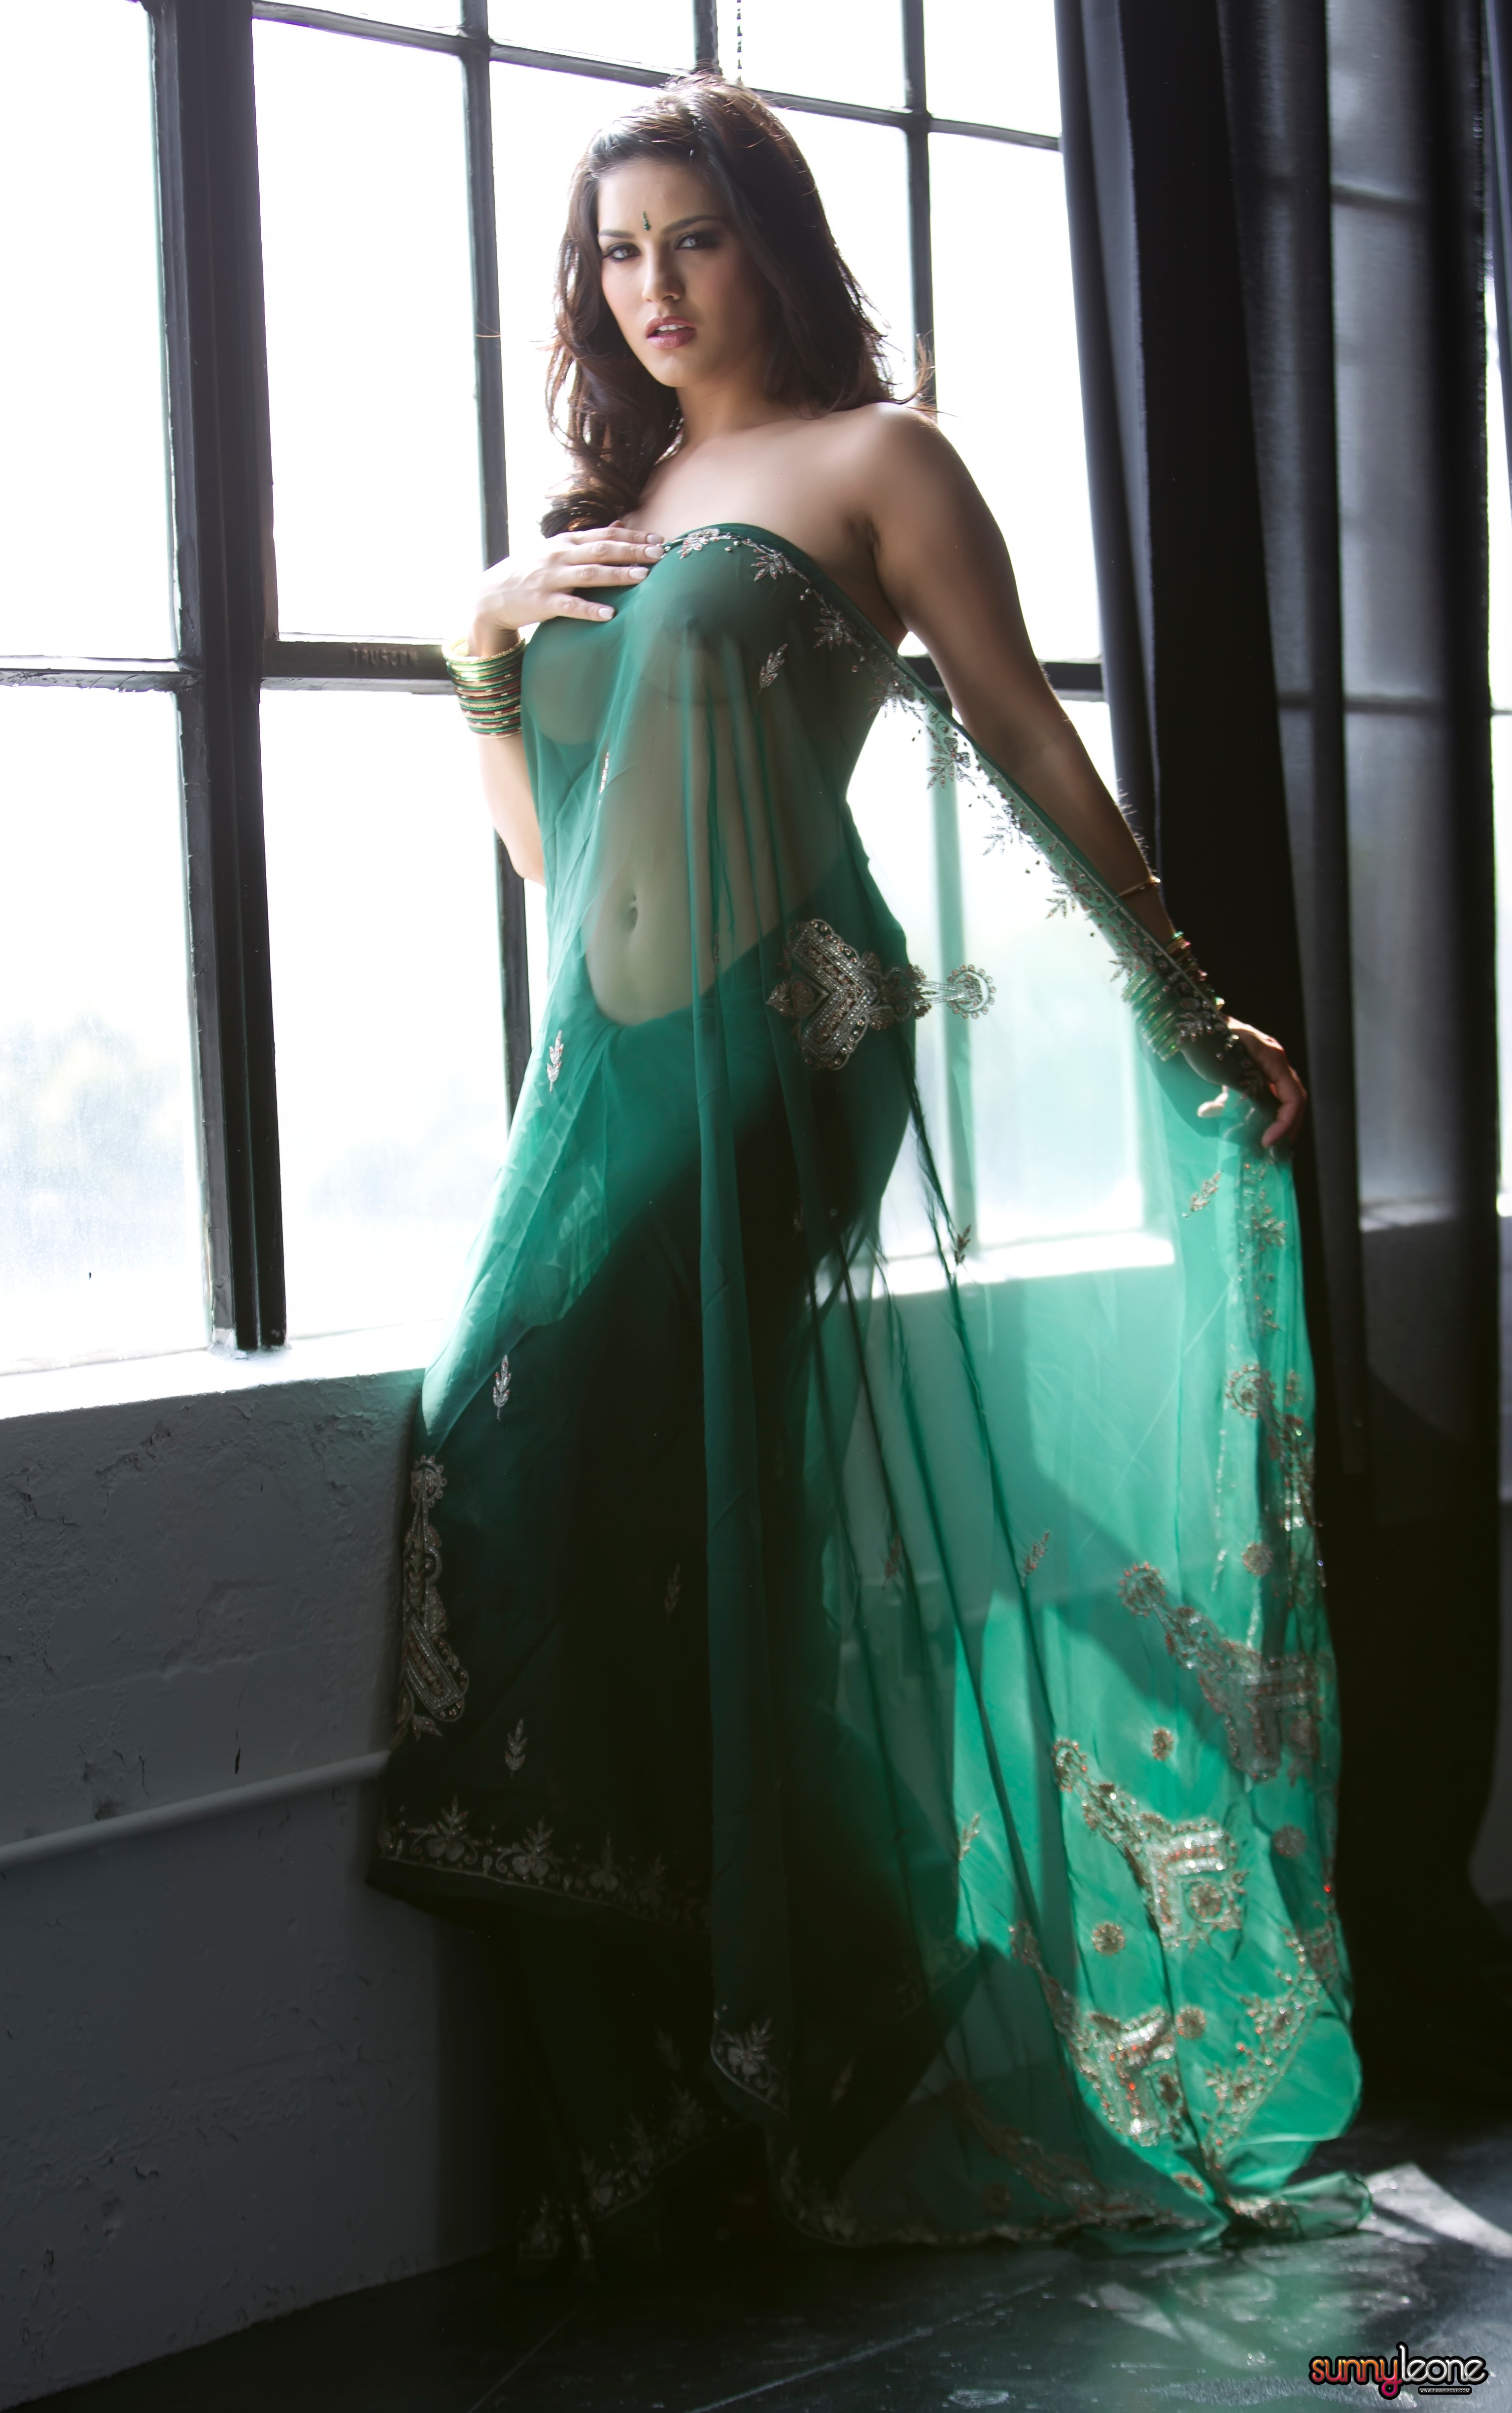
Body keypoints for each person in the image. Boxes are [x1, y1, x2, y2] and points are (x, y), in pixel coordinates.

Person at [369, 72, 1368, 2275]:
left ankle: (791, 2029)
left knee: (550, 1460)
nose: (650, 286)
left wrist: (1192, 1000)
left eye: (692, 238)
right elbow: (560, 863)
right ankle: (758, 2037)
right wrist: (481, 647)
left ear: (775, 245)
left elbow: (1026, 732)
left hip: (786, 1045)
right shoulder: (611, 509)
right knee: (566, 1493)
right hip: (614, 1065)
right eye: (616, 251)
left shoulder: (876, 462)